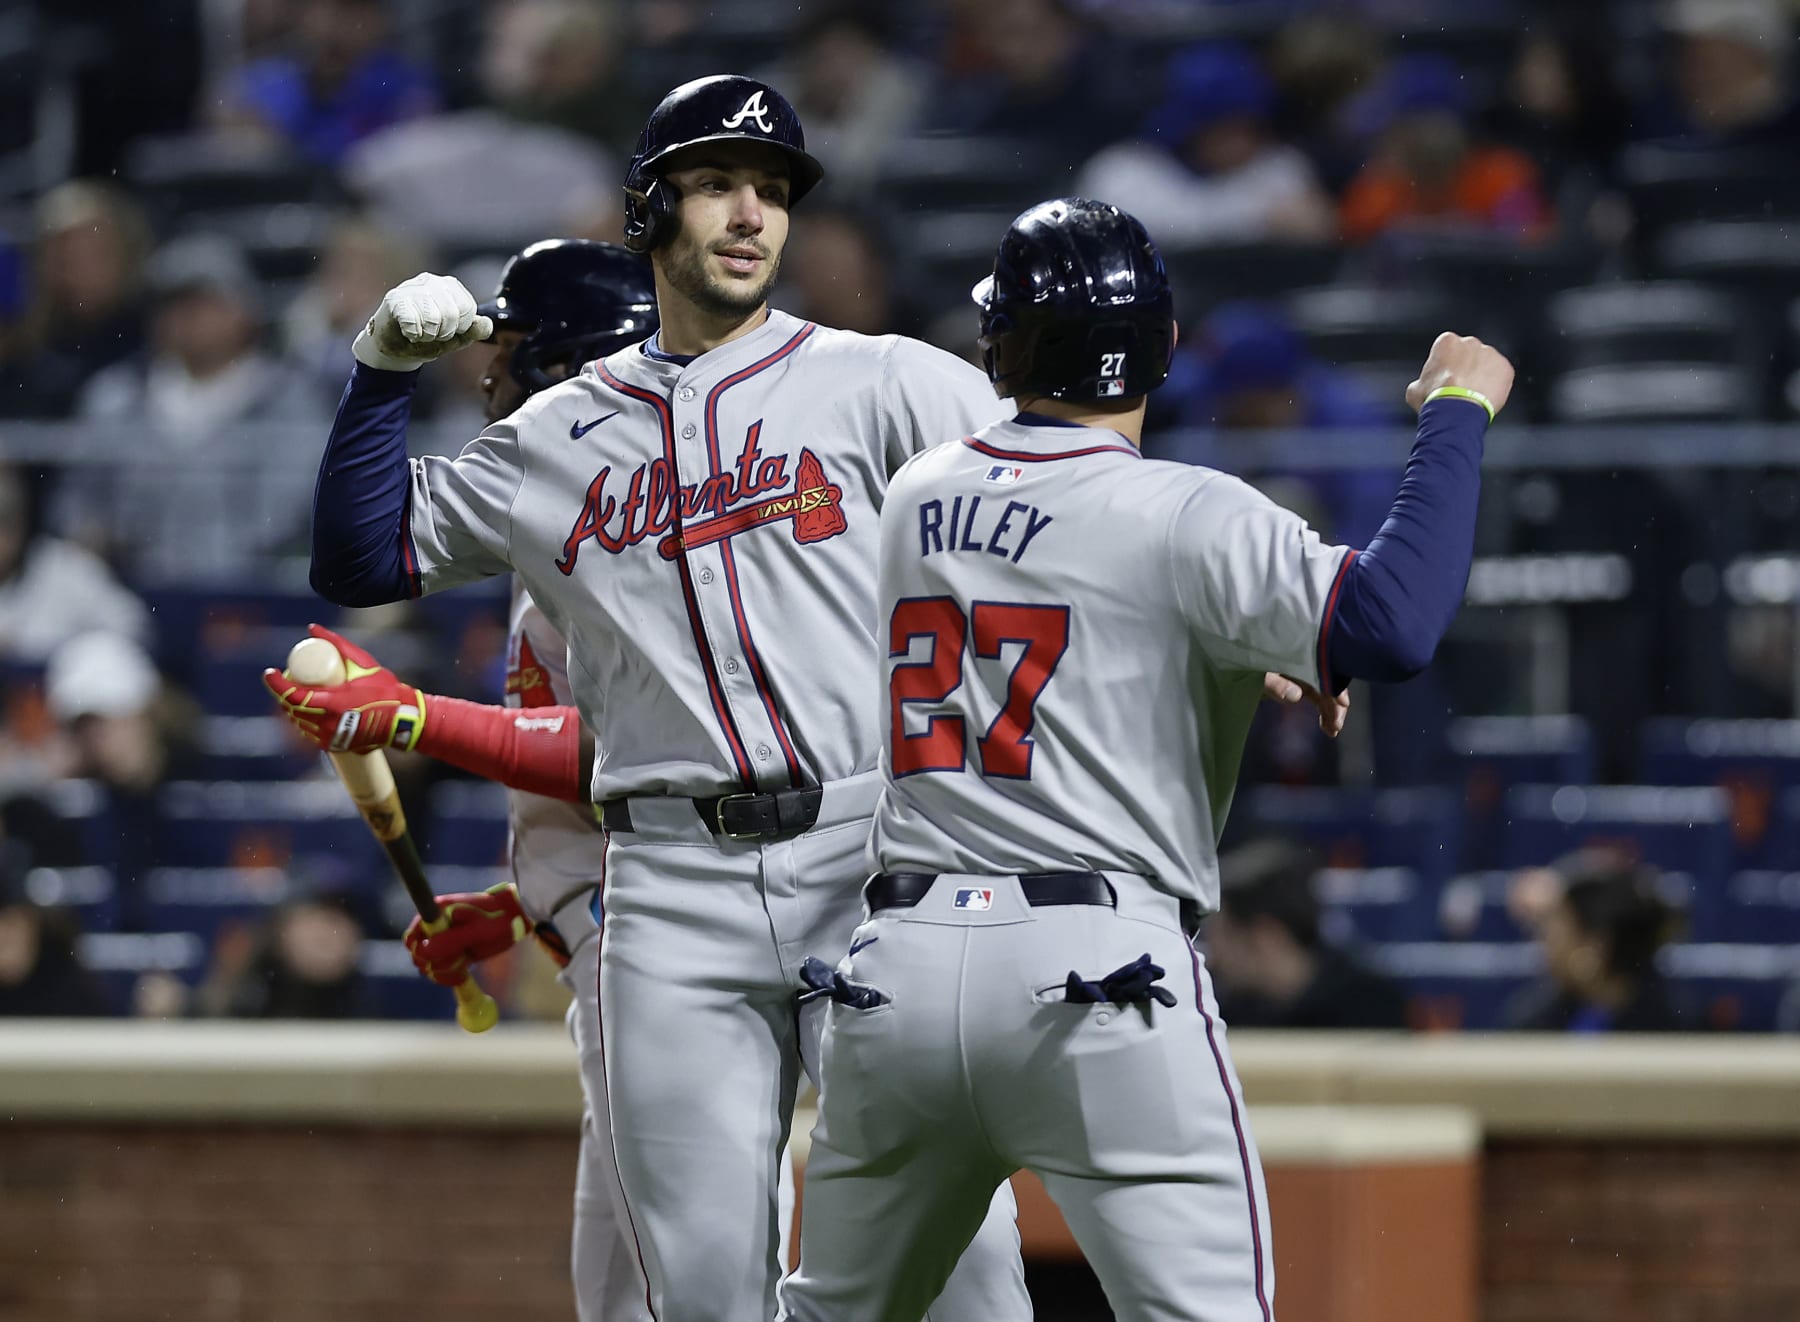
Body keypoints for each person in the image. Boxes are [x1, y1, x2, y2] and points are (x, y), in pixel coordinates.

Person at [274, 76, 1031, 1322]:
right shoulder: (559, 432)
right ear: (649, 206)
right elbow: (360, 560)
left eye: (775, 190)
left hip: (869, 852)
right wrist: (376, 374)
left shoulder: (889, 381)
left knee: (965, 1271)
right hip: (669, 886)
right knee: (701, 1292)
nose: (752, 213)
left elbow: (1073, 504)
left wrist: (1248, 638)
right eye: (720, 182)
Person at [778, 197, 1511, 1322]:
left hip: (900, 969)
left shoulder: (916, 492)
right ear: (1165, 348)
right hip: (1095, 970)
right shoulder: (1188, 511)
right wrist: (1456, 413)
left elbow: (1060, 601)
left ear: (999, 342)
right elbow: (1394, 623)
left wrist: (1233, 648)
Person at [271, 236, 679, 1321]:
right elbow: (355, 552)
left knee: (680, 1283)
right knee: (623, 1290)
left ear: (572, 364)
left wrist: (414, 715)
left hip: (685, 944)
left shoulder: (659, 523)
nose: (489, 373)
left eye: (511, 348)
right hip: (627, 921)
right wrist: (518, 907)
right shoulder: (561, 509)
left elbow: (638, 755)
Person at [1075, 44, 1336, 246]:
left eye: (1247, 128)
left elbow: (1318, 227)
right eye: (1223, 129)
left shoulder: (1279, 166)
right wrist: (1258, 218)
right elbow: (1152, 235)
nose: (1239, 143)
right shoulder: (1121, 171)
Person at [1205, 838, 1410, 1030]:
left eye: (1223, 935)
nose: (1214, 955)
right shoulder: (1225, 1013)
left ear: (1265, 937)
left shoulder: (1372, 1006)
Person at [1504, 847, 1690, 1033]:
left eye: (1553, 930)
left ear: (1595, 942)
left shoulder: (1679, 1030)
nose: (1544, 943)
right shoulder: (1531, 1025)